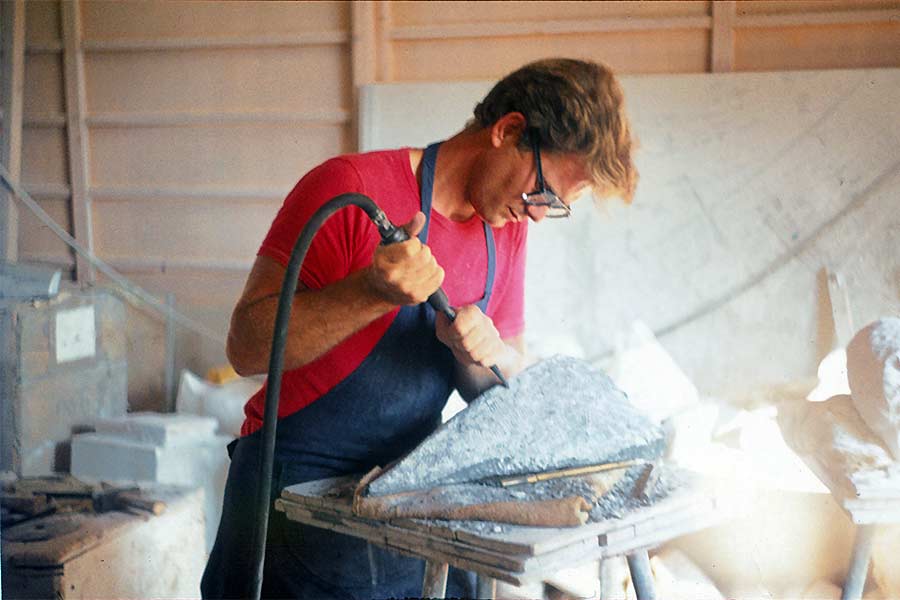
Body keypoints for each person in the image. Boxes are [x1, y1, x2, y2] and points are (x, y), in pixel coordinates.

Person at [201, 57, 636, 599]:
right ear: (509, 131)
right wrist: (369, 293)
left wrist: (479, 356)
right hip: (295, 487)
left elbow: (499, 384)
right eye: (541, 193)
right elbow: (245, 346)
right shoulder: (349, 187)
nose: (540, 216)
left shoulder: (507, 231)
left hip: (405, 489)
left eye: (557, 207)